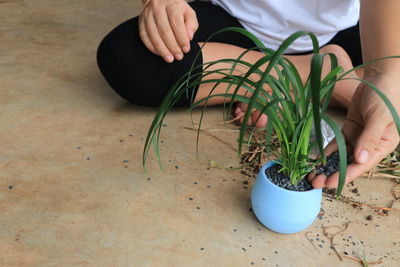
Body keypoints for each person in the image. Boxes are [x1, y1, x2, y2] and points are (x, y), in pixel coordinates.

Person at [97, 0, 400, 189]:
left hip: (344, 28)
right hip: (236, 18)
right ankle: (315, 74)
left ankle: (271, 77)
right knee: (128, 58)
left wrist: (383, 74)